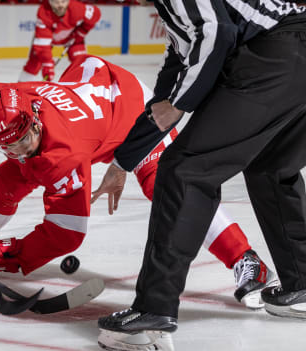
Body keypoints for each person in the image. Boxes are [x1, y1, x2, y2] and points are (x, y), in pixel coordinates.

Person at [0, 54, 275, 310]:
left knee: (170, 187)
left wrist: (4, 255)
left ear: (37, 117)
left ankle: (246, 259)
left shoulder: (64, 153)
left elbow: (66, 234)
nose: (19, 148)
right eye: (8, 145)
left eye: (25, 138)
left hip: (134, 110)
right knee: (13, 173)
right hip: (93, 81)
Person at [95, 0, 306, 350]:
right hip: (295, 50)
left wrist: (180, 103)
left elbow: (217, 33)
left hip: (277, 53)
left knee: (185, 171)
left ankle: (154, 309)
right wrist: (122, 163)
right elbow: (167, 92)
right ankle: (302, 284)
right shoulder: (179, 22)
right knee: (271, 167)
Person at [19, 0, 101, 82]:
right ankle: (20, 89)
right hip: (48, 39)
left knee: (81, 62)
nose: (60, 5)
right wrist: (48, 64)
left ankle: (84, 87)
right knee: (33, 64)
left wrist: (81, 32)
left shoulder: (77, 8)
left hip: (72, 38)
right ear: (50, 2)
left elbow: (95, 14)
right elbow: (42, 45)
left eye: (63, 1)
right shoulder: (43, 11)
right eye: (56, 2)